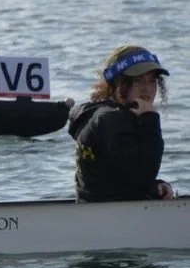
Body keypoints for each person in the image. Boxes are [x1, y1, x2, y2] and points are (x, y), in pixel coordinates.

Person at [71, 47, 171, 202]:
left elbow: (121, 177)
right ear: (118, 83)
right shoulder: (111, 119)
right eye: (138, 80)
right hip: (112, 218)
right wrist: (150, 119)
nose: (147, 89)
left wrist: (155, 186)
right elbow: (140, 180)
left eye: (152, 81)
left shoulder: (102, 114)